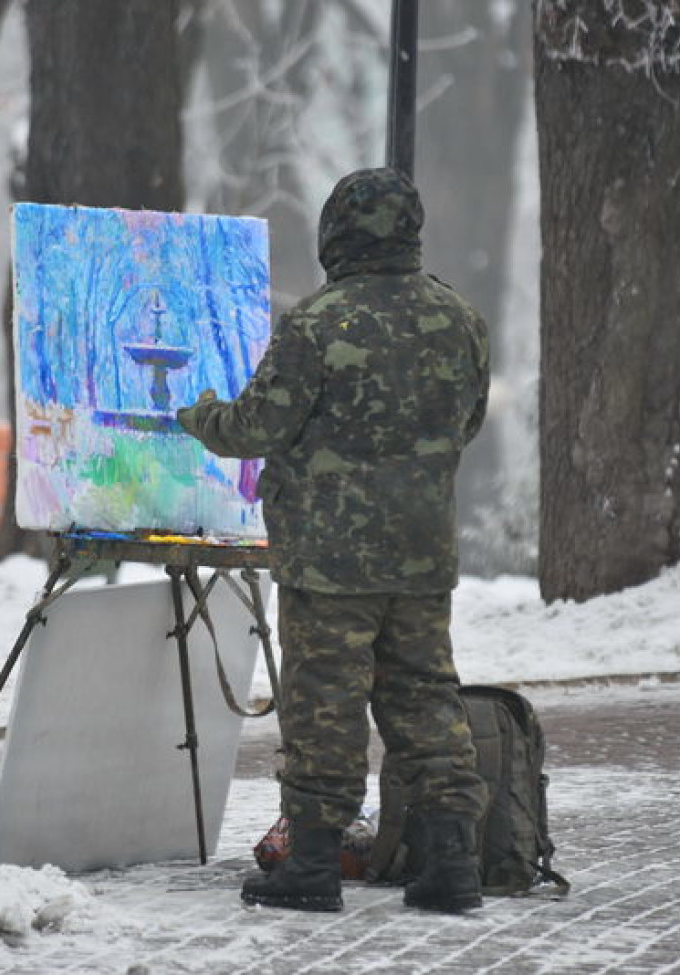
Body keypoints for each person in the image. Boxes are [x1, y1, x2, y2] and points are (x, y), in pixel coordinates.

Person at [177, 167, 490, 914]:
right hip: (421, 556)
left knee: (326, 707)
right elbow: (466, 423)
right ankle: (452, 865)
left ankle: (311, 866)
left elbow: (256, 426)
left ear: (335, 234)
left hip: (329, 562)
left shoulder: (318, 324)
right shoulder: (461, 320)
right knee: (425, 700)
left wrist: (200, 414)